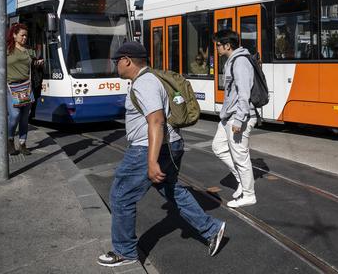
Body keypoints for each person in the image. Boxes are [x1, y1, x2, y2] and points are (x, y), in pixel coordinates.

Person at [98, 42, 226, 267]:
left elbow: (156, 121)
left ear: (127, 60)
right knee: (172, 190)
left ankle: (125, 252)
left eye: (116, 60)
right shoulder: (150, 79)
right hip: (170, 144)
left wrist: (151, 161)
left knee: (121, 195)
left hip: (147, 148)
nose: (115, 65)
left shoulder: (144, 83)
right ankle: (211, 229)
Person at [211, 29, 258, 208]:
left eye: (218, 45)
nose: (216, 48)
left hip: (239, 116)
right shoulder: (232, 61)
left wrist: (239, 120)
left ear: (227, 45)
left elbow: (243, 94)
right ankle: (241, 180)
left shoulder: (240, 62)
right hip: (228, 116)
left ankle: (249, 194)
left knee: (240, 156)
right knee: (218, 147)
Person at [0, 23, 44, 155]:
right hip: (11, 87)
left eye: (26, 35)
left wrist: (38, 62)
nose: (25, 38)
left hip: (26, 87)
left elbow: (32, 64)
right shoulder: (6, 50)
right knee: (14, 115)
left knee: (25, 117)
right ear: (14, 35)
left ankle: (22, 143)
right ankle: (9, 139)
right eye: (22, 35)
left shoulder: (28, 50)